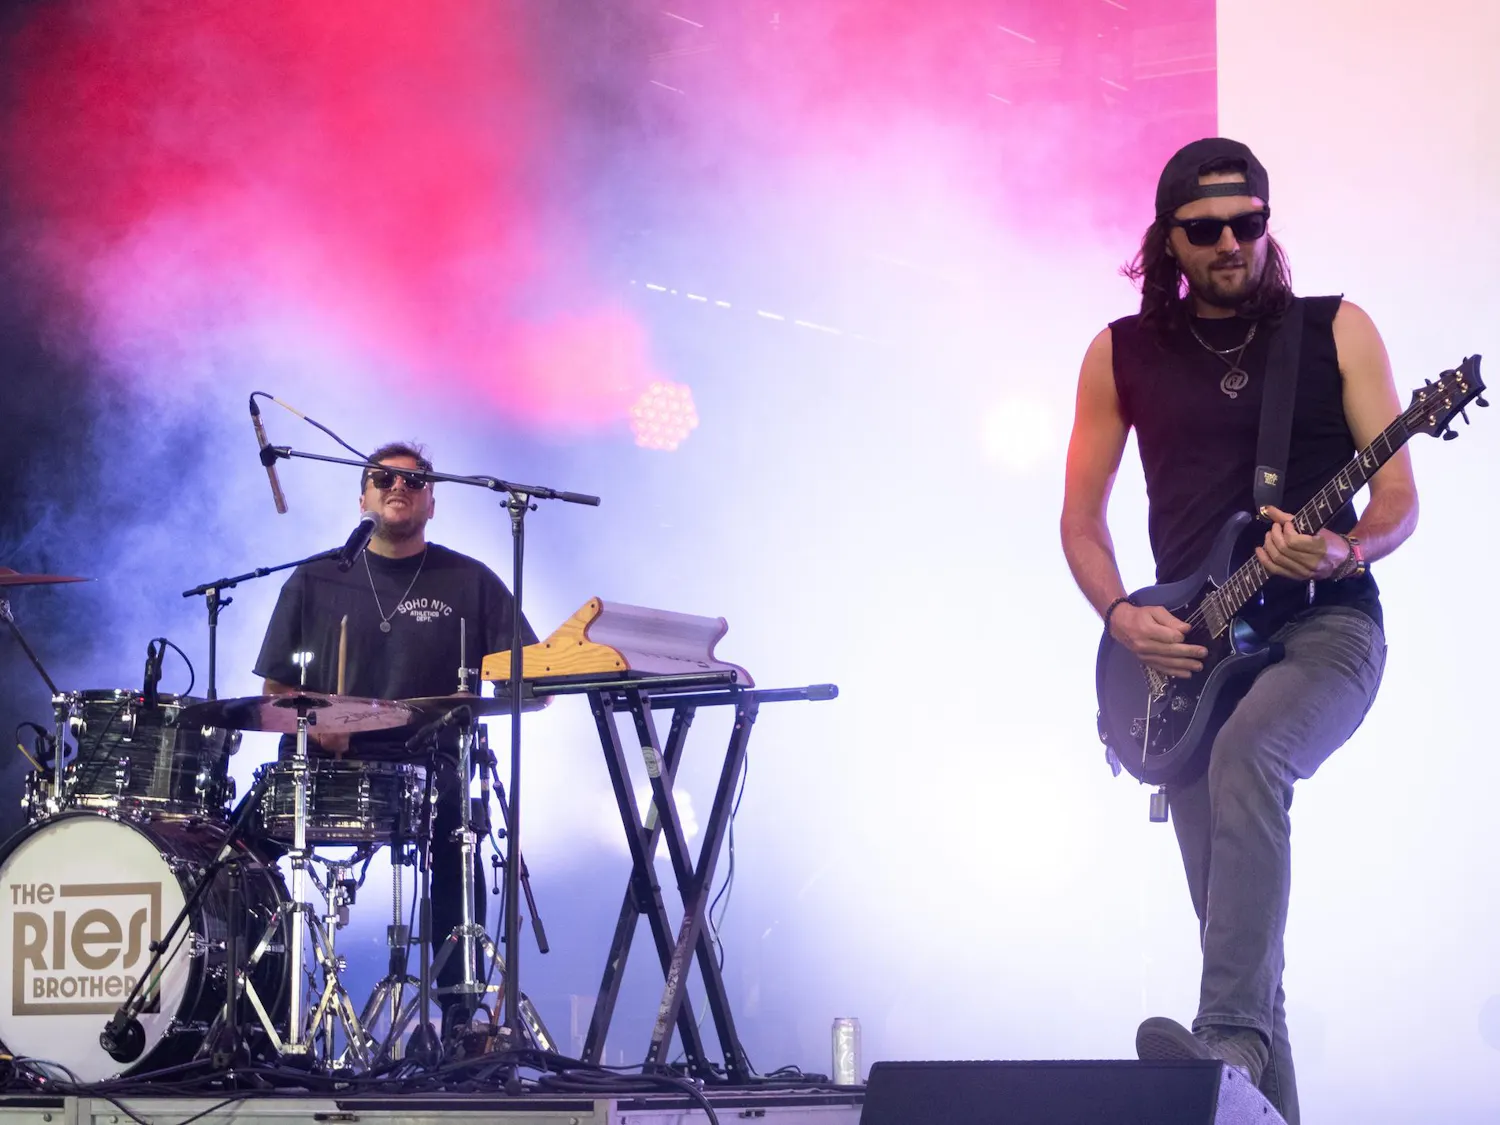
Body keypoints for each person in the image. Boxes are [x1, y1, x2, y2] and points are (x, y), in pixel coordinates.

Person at [1059, 138, 1418, 1123]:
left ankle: (1221, 1043)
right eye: (1207, 228)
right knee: (1245, 957)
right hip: (1191, 662)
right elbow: (1080, 520)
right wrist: (1123, 616)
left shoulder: (1335, 329)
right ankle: (1244, 1061)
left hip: (1326, 631)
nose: (1231, 243)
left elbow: (1397, 499)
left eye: (1249, 224)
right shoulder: (1120, 354)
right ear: (1167, 241)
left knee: (1251, 755)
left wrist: (1345, 550)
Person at [254, 440, 538, 1042]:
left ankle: (459, 1015)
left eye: (414, 481)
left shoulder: (471, 580)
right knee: (238, 854)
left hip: (427, 765)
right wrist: (319, 724)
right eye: (382, 479)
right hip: (325, 765)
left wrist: (526, 682)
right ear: (362, 497)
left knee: (460, 838)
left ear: (433, 502)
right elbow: (275, 688)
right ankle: (250, 1002)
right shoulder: (315, 577)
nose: (398, 487)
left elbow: (532, 679)